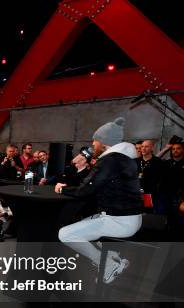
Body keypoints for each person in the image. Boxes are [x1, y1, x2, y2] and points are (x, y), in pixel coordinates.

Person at [56, 117, 143, 284]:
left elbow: (85, 189)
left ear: (104, 142)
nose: (93, 145)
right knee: (85, 224)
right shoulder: (125, 158)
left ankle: (109, 265)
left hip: (120, 222)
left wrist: (62, 188)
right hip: (129, 217)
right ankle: (113, 257)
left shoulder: (109, 160)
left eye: (94, 141)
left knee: (65, 234)